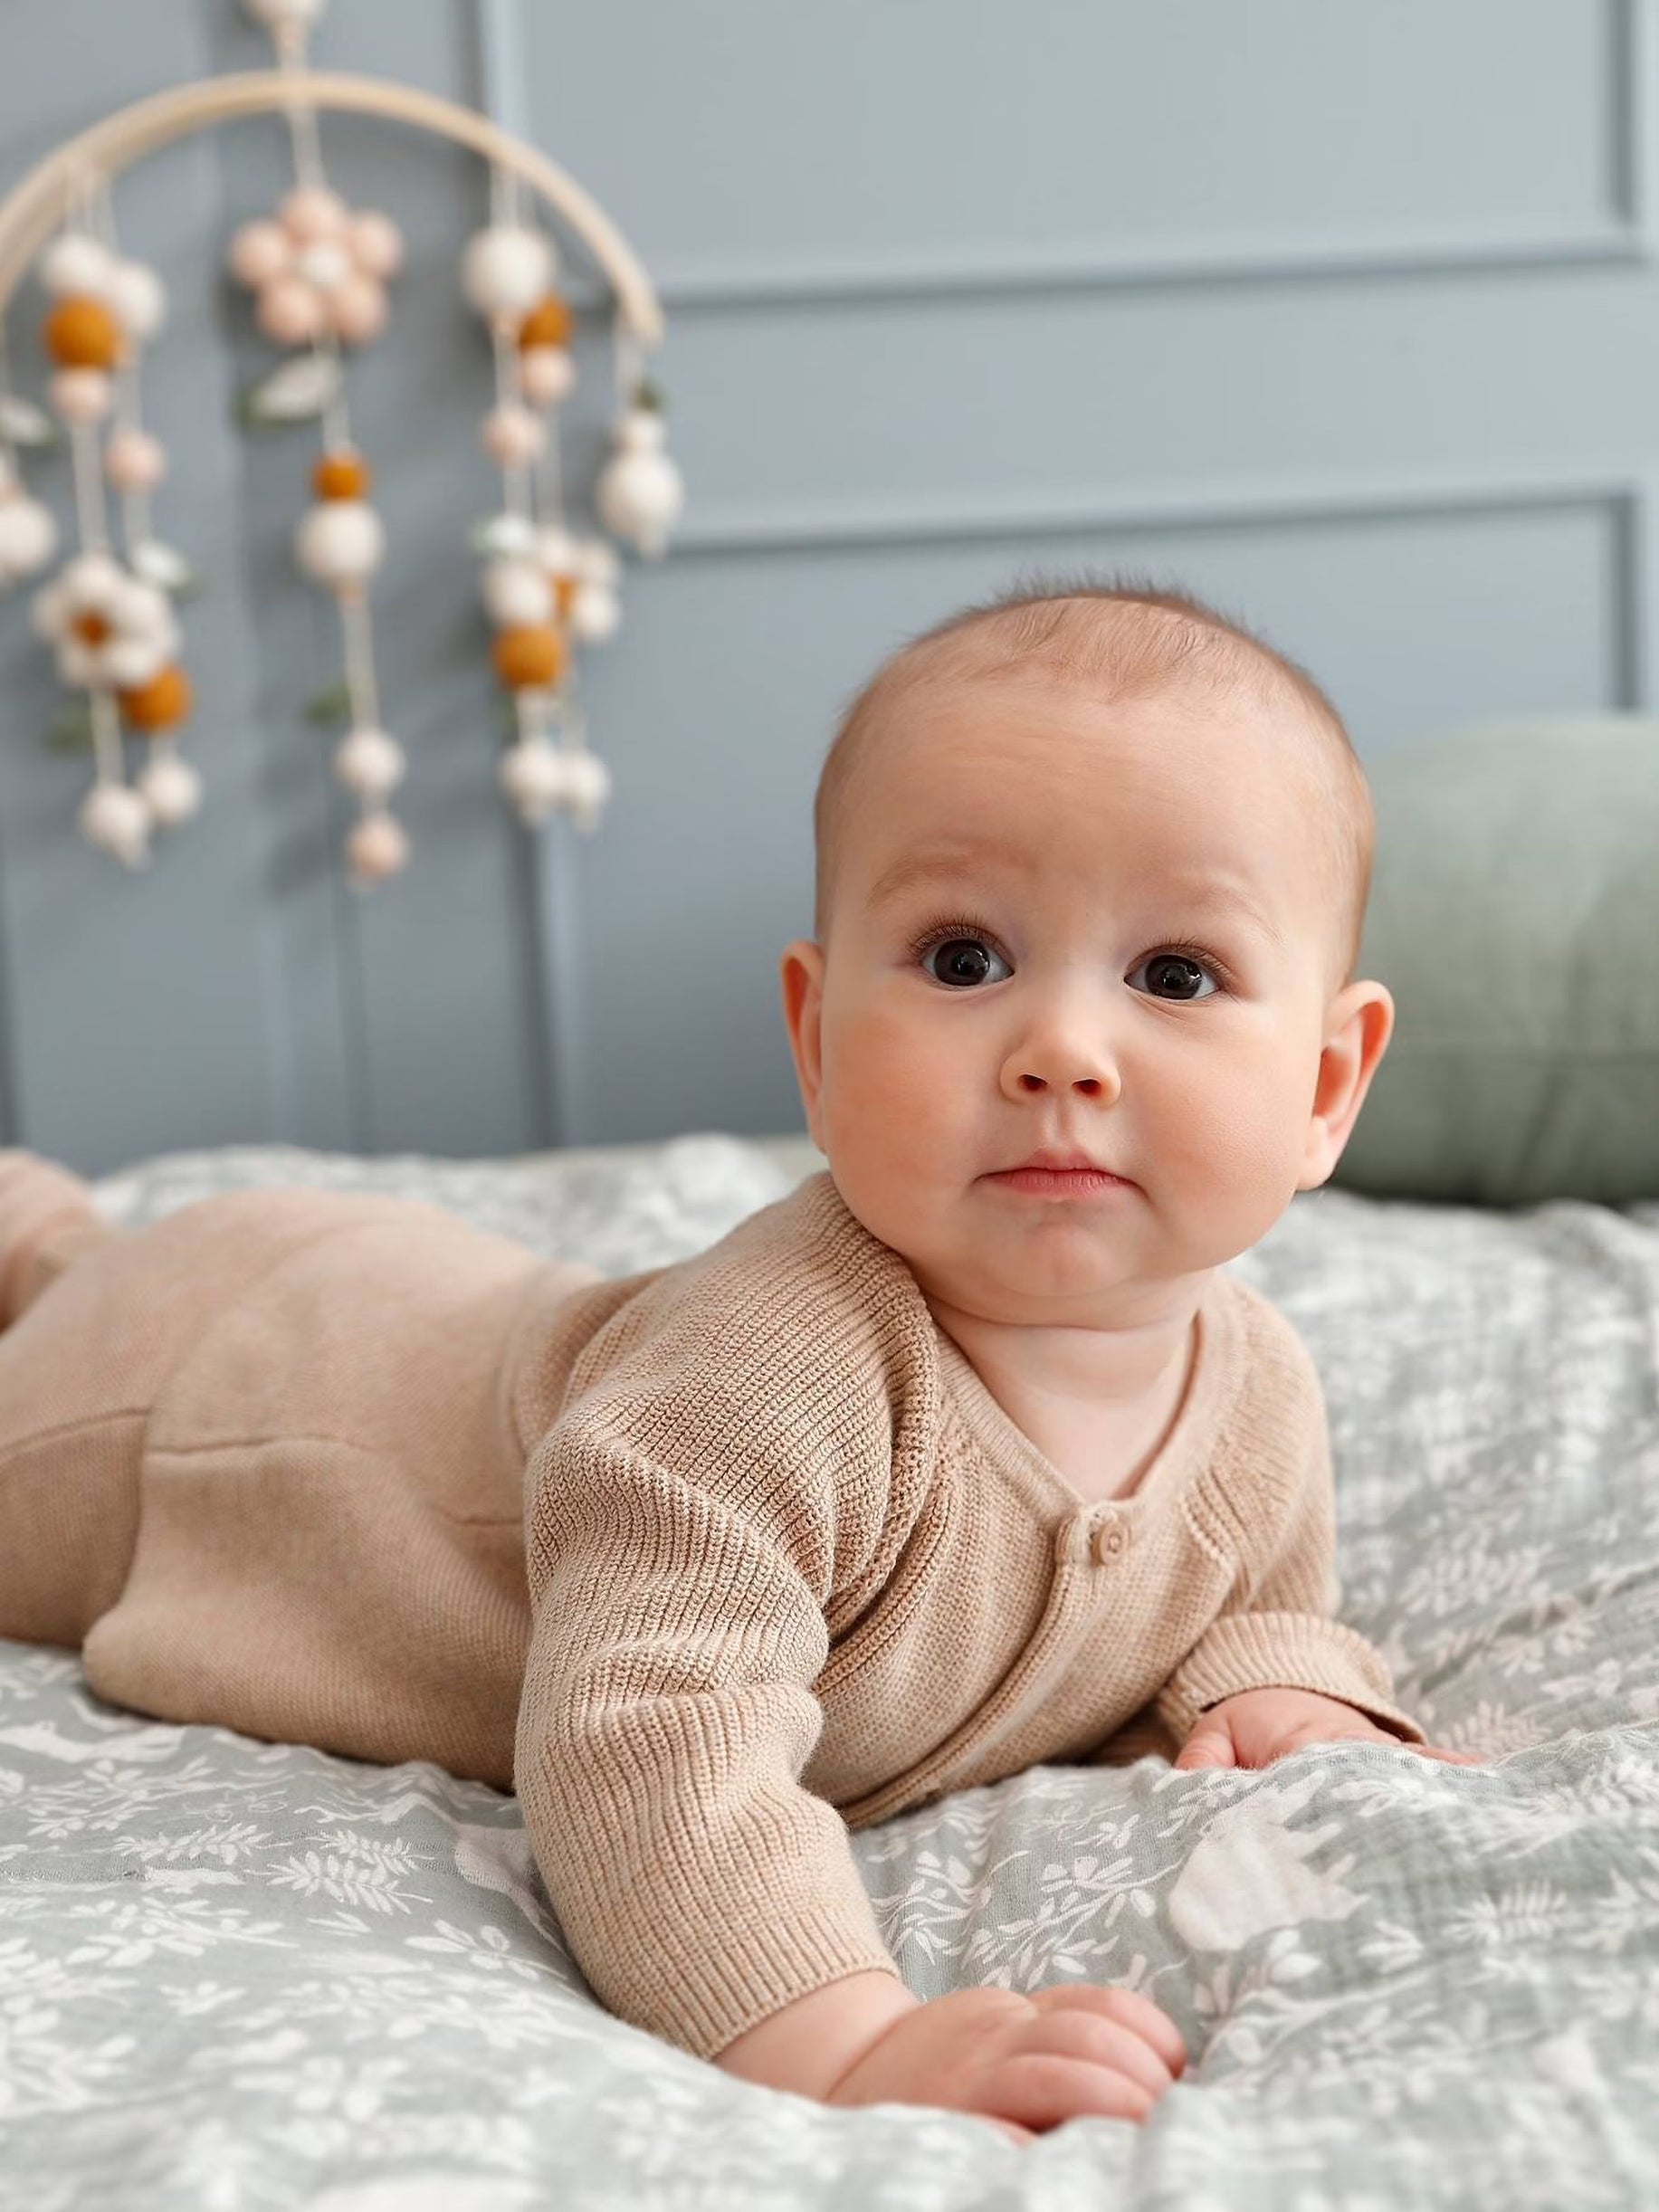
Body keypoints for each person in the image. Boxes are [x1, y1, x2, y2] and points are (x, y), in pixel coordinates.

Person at [0, 576, 1480, 2150]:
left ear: (1326, 1086)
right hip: (220, 1387)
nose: (1062, 1048)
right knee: (61, 1318)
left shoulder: (1254, 1393)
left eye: (1175, 975)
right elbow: (648, 1732)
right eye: (963, 958)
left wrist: (1277, 1687)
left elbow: (1248, 1598)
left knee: (63, 1252)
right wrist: (840, 2043)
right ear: (818, 1040)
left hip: (398, 1292)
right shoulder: (770, 1374)